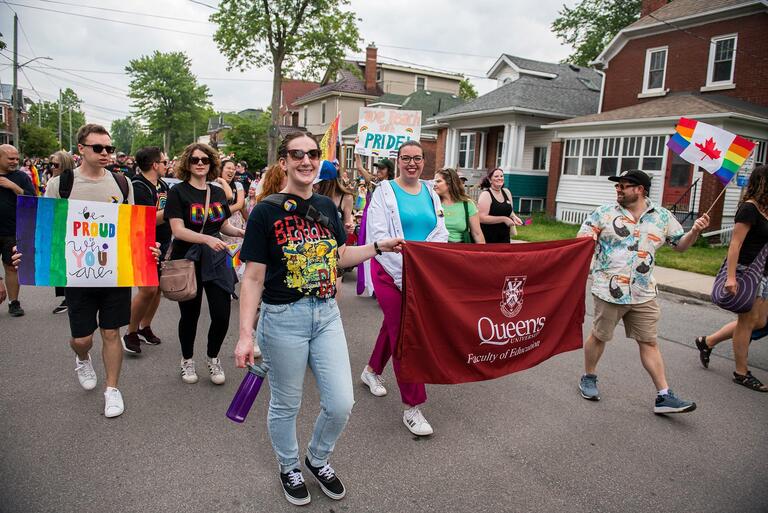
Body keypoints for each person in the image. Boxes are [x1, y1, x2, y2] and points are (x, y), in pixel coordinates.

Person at [234, 131, 404, 506]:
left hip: (326, 315)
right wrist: (246, 334)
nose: (307, 161)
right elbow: (253, 277)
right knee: (286, 403)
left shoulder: (327, 208)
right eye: (298, 154)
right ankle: (289, 465)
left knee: (342, 402)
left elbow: (338, 257)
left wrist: (378, 247)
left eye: (312, 154)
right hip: (282, 318)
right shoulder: (266, 211)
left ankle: (318, 457)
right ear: (284, 162)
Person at [576, 169, 710, 413]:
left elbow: (679, 246)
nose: (618, 189)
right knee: (599, 336)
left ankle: (664, 395)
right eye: (618, 186)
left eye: (624, 186)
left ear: (640, 190)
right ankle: (589, 376)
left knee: (649, 342)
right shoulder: (604, 214)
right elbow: (582, 242)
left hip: (643, 292)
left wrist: (695, 232)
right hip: (609, 290)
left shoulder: (661, 217)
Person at [45, 124, 147, 418]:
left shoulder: (122, 183)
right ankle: (82, 357)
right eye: (98, 148)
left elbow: (130, 228)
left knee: (111, 331)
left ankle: (112, 389)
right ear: (81, 149)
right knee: (82, 338)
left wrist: (145, 249)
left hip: (113, 271)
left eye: (109, 148)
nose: (106, 153)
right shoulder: (60, 184)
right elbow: (47, 228)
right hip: (77, 273)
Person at [363, 140, 449, 436]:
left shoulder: (430, 192)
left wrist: (430, 266)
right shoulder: (383, 192)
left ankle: (372, 370)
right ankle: (413, 407)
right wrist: (404, 273)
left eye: (417, 158)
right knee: (406, 332)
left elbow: (440, 231)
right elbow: (379, 235)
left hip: (420, 273)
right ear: (397, 160)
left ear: (424, 162)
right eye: (406, 158)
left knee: (394, 326)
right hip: (389, 271)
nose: (412, 163)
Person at [164, 143, 244, 385]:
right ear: (187, 163)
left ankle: (213, 357)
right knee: (190, 314)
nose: (200, 163)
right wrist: (207, 239)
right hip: (188, 256)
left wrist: (241, 232)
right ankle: (187, 360)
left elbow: (221, 226)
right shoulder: (178, 192)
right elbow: (178, 230)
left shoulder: (218, 192)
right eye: (195, 159)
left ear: (211, 164)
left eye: (205, 160)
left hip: (216, 257)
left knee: (222, 314)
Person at [695, 164, 768, 392]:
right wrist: (730, 277)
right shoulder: (749, 209)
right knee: (747, 322)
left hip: (763, 273)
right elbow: (735, 245)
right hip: (746, 271)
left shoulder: (766, 209)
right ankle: (741, 372)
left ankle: (707, 342)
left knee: (760, 322)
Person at [122, 147, 171, 353]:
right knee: (148, 289)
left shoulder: (162, 184)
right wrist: (174, 209)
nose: (167, 166)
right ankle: (130, 332)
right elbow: (147, 219)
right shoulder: (137, 186)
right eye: (165, 162)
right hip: (144, 243)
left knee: (158, 288)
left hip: (164, 243)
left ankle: (145, 326)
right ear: (155, 165)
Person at [0, 144, 34, 317]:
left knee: (12, 267)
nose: (15, 162)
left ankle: (14, 302)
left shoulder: (21, 177)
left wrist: (13, 187)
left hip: (12, 230)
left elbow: (32, 199)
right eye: (10, 159)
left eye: (16, 158)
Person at [49, 150, 76, 315]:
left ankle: (71, 298)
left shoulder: (68, 181)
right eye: (50, 164)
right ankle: (68, 297)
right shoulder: (54, 181)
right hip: (60, 228)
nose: (52, 167)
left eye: (56, 164)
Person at [434, 168, 485, 244]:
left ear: (449, 184)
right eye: (434, 181)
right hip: (437, 249)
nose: (434, 184)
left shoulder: (467, 205)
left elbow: (477, 234)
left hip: (458, 249)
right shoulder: (432, 203)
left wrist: (482, 253)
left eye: (438, 181)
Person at [478, 167, 522, 243]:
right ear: (490, 180)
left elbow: (510, 211)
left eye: (501, 176)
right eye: (496, 176)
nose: (500, 178)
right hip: (489, 237)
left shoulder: (507, 192)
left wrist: (514, 217)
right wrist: (504, 219)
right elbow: (481, 218)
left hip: (504, 236)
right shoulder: (486, 195)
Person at [218, 159, 246, 244]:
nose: (231, 171)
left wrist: (221, 214)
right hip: (219, 224)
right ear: (221, 169)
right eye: (228, 168)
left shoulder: (238, 185)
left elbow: (239, 204)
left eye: (233, 169)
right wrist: (222, 181)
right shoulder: (215, 185)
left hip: (234, 223)